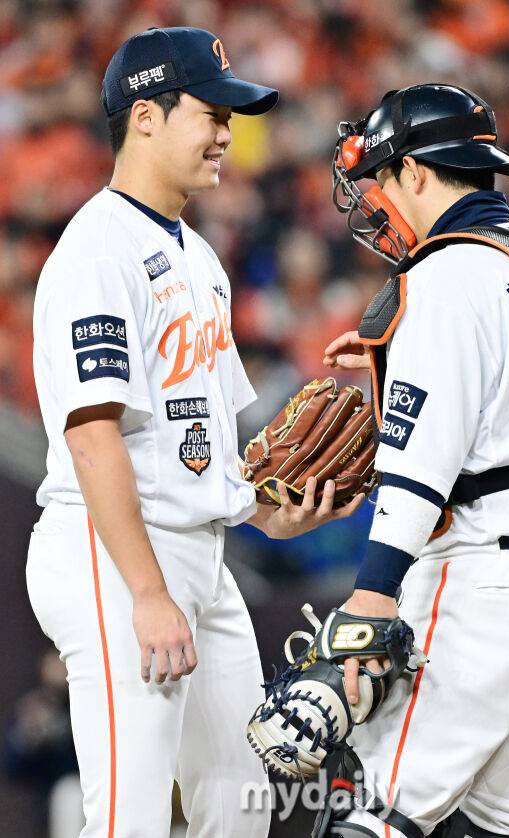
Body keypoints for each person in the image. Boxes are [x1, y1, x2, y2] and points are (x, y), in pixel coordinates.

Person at [26, 26, 362, 838]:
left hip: (200, 556)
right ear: (145, 117)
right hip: (114, 555)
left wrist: (262, 511)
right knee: (130, 817)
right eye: (210, 113)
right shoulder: (97, 250)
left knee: (240, 806)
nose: (226, 133)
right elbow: (93, 434)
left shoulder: (200, 259)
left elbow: (195, 442)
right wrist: (146, 592)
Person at [320, 84, 509, 837]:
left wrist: (373, 596)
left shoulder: (442, 279)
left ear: (417, 172)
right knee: (504, 827)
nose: (378, 201)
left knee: (373, 815)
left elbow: (417, 471)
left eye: (382, 179)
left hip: (484, 585)